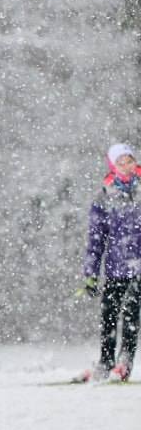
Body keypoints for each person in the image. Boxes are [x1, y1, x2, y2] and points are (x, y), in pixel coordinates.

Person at [77, 142, 141, 383]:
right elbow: (96, 240)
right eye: (120, 162)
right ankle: (105, 362)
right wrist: (90, 274)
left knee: (132, 316)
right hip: (115, 268)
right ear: (112, 166)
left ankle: (124, 363)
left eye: (129, 160)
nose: (126, 166)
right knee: (109, 315)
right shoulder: (103, 197)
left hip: (139, 267)